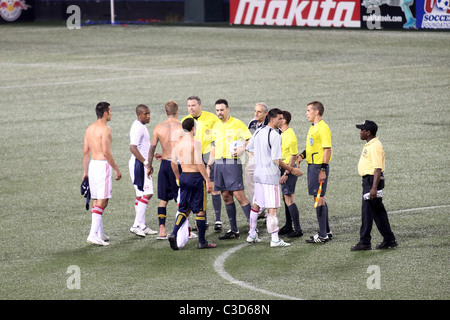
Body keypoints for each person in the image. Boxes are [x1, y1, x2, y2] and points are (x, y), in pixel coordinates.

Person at [246, 108, 302, 247]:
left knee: (256, 205)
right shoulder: (276, 136)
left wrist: (261, 157)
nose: (282, 121)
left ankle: (252, 234)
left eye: (282, 118)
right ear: (272, 119)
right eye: (279, 118)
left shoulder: (259, 131)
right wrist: (291, 169)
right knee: (273, 208)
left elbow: (249, 147)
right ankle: (275, 239)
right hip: (270, 177)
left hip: (258, 175)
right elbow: (276, 160)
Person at [208, 99, 253, 240]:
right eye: (217, 110)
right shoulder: (215, 126)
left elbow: (249, 139)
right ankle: (234, 230)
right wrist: (208, 165)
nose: (219, 112)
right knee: (226, 196)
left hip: (232, 163)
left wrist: (242, 148)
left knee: (240, 196)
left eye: (222, 110)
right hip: (218, 164)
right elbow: (214, 147)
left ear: (228, 109)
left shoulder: (237, 123)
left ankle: (253, 228)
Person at [168, 118, 215, 250]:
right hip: (195, 178)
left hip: (184, 177)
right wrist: (207, 179)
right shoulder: (196, 142)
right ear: (193, 128)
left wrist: (178, 177)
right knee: (200, 210)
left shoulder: (177, 144)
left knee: (184, 208)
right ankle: (202, 242)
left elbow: (173, 163)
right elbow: (199, 162)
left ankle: (173, 233)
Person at [351, 120, 398, 251]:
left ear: (368, 132)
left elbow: (377, 169)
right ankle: (389, 239)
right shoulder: (371, 144)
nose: (360, 132)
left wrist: (373, 187)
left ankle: (364, 242)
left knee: (367, 212)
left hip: (372, 181)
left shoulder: (375, 146)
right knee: (378, 212)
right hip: (370, 180)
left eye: (362, 130)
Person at [82, 102, 122, 246]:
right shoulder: (105, 130)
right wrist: (116, 169)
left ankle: (99, 233)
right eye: (110, 110)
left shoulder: (89, 129)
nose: (112, 113)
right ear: (105, 113)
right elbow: (106, 152)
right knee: (103, 201)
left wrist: (85, 173)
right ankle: (92, 234)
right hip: (102, 166)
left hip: (92, 165)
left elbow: (86, 152)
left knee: (96, 199)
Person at [181, 96, 222, 231]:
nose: (191, 108)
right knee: (199, 190)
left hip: (209, 155)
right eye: (188, 106)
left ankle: (218, 220)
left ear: (199, 105)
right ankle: (201, 221)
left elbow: (219, 136)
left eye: (193, 105)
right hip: (194, 160)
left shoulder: (211, 118)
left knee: (214, 188)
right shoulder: (185, 121)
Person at [298, 101, 332, 244]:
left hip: (318, 167)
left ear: (316, 112)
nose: (306, 113)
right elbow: (313, 147)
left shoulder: (323, 128)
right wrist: (301, 156)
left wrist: (323, 169)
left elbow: (327, 149)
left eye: (308, 111)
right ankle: (327, 231)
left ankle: (323, 235)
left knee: (319, 199)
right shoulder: (313, 127)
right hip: (312, 166)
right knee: (319, 198)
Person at [148, 100, 183, 239]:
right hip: (178, 164)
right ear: (177, 111)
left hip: (164, 164)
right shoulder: (182, 127)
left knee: (163, 199)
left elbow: (152, 148)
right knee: (181, 198)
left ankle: (162, 229)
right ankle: (182, 229)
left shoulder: (158, 127)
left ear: (165, 112)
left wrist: (149, 166)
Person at [128, 104, 157, 238]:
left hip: (140, 163)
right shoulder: (138, 128)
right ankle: (135, 225)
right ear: (139, 116)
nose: (148, 116)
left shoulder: (141, 126)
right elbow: (133, 148)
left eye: (149, 113)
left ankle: (142, 225)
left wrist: (154, 154)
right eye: (145, 114)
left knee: (140, 195)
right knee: (148, 193)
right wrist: (146, 163)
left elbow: (142, 146)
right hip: (139, 165)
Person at [279, 110, 303, 238]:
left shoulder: (290, 135)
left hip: (288, 169)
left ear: (283, 120)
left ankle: (298, 229)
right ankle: (289, 225)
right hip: (284, 168)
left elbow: (294, 155)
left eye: (279, 118)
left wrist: (287, 172)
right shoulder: (283, 133)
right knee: (285, 197)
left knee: (289, 198)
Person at [245, 102, 269, 211]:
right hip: (253, 156)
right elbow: (247, 139)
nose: (256, 114)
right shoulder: (252, 123)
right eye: (255, 111)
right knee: (250, 180)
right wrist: (248, 153)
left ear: (266, 113)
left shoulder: (271, 123)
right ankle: (256, 208)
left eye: (259, 112)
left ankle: (269, 210)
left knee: (266, 184)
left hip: (266, 157)